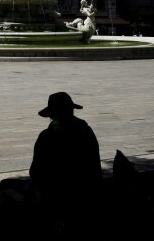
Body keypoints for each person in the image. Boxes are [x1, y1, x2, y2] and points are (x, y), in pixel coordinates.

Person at [29, 91, 102, 233]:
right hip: (88, 199)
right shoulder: (86, 131)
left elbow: (36, 172)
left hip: (57, 202)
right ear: (72, 111)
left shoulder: (46, 137)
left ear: (51, 115)